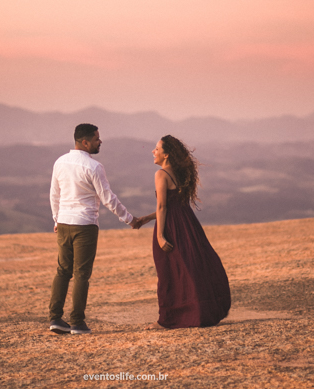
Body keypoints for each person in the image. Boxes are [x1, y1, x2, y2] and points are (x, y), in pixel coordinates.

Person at [48, 123, 138, 335]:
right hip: (85, 225)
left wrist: (56, 219)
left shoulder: (60, 162)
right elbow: (107, 198)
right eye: (97, 139)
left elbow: (54, 194)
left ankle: (55, 318)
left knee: (62, 271)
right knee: (81, 274)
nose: (100, 142)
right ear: (85, 142)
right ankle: (77, 322)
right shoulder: (94, 167)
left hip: (63, 223)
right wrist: (129, 219)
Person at [133, 135, 230, 329]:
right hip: (188, 225)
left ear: (166, 155)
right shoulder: (178, 173)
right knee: (191, 268)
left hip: (171, 228)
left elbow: (163, 207)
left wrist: (160, 236)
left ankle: (167, 319)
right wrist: (145, 219)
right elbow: (173, 206)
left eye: (157, 149)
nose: (153, 151)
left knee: (168, 272)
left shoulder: (160, 174)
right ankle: (197, 312)